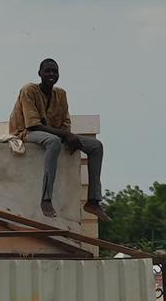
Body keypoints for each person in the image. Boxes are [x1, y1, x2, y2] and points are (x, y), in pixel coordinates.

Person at [10, 59, 103, 217]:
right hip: (26, 132)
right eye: (48, 71)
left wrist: (67, 136)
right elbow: (33, 125)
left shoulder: (61, 94)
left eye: (54, 71)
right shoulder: (29, 90)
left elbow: (65, 122)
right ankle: (46, 199)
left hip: (54, 134)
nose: (51, 74)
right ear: (40, 74)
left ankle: (93, 200)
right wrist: (65, 135)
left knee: (96, 146)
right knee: (53, 142)